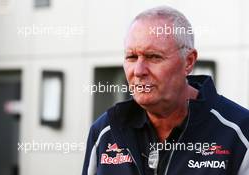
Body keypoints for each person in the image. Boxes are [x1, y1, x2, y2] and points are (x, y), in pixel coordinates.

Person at [82, 6, 249, 175]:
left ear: (189, 62)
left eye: (154, 57)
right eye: (131, 57)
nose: (139, 71)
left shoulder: (240, 131)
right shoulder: (105, 131)